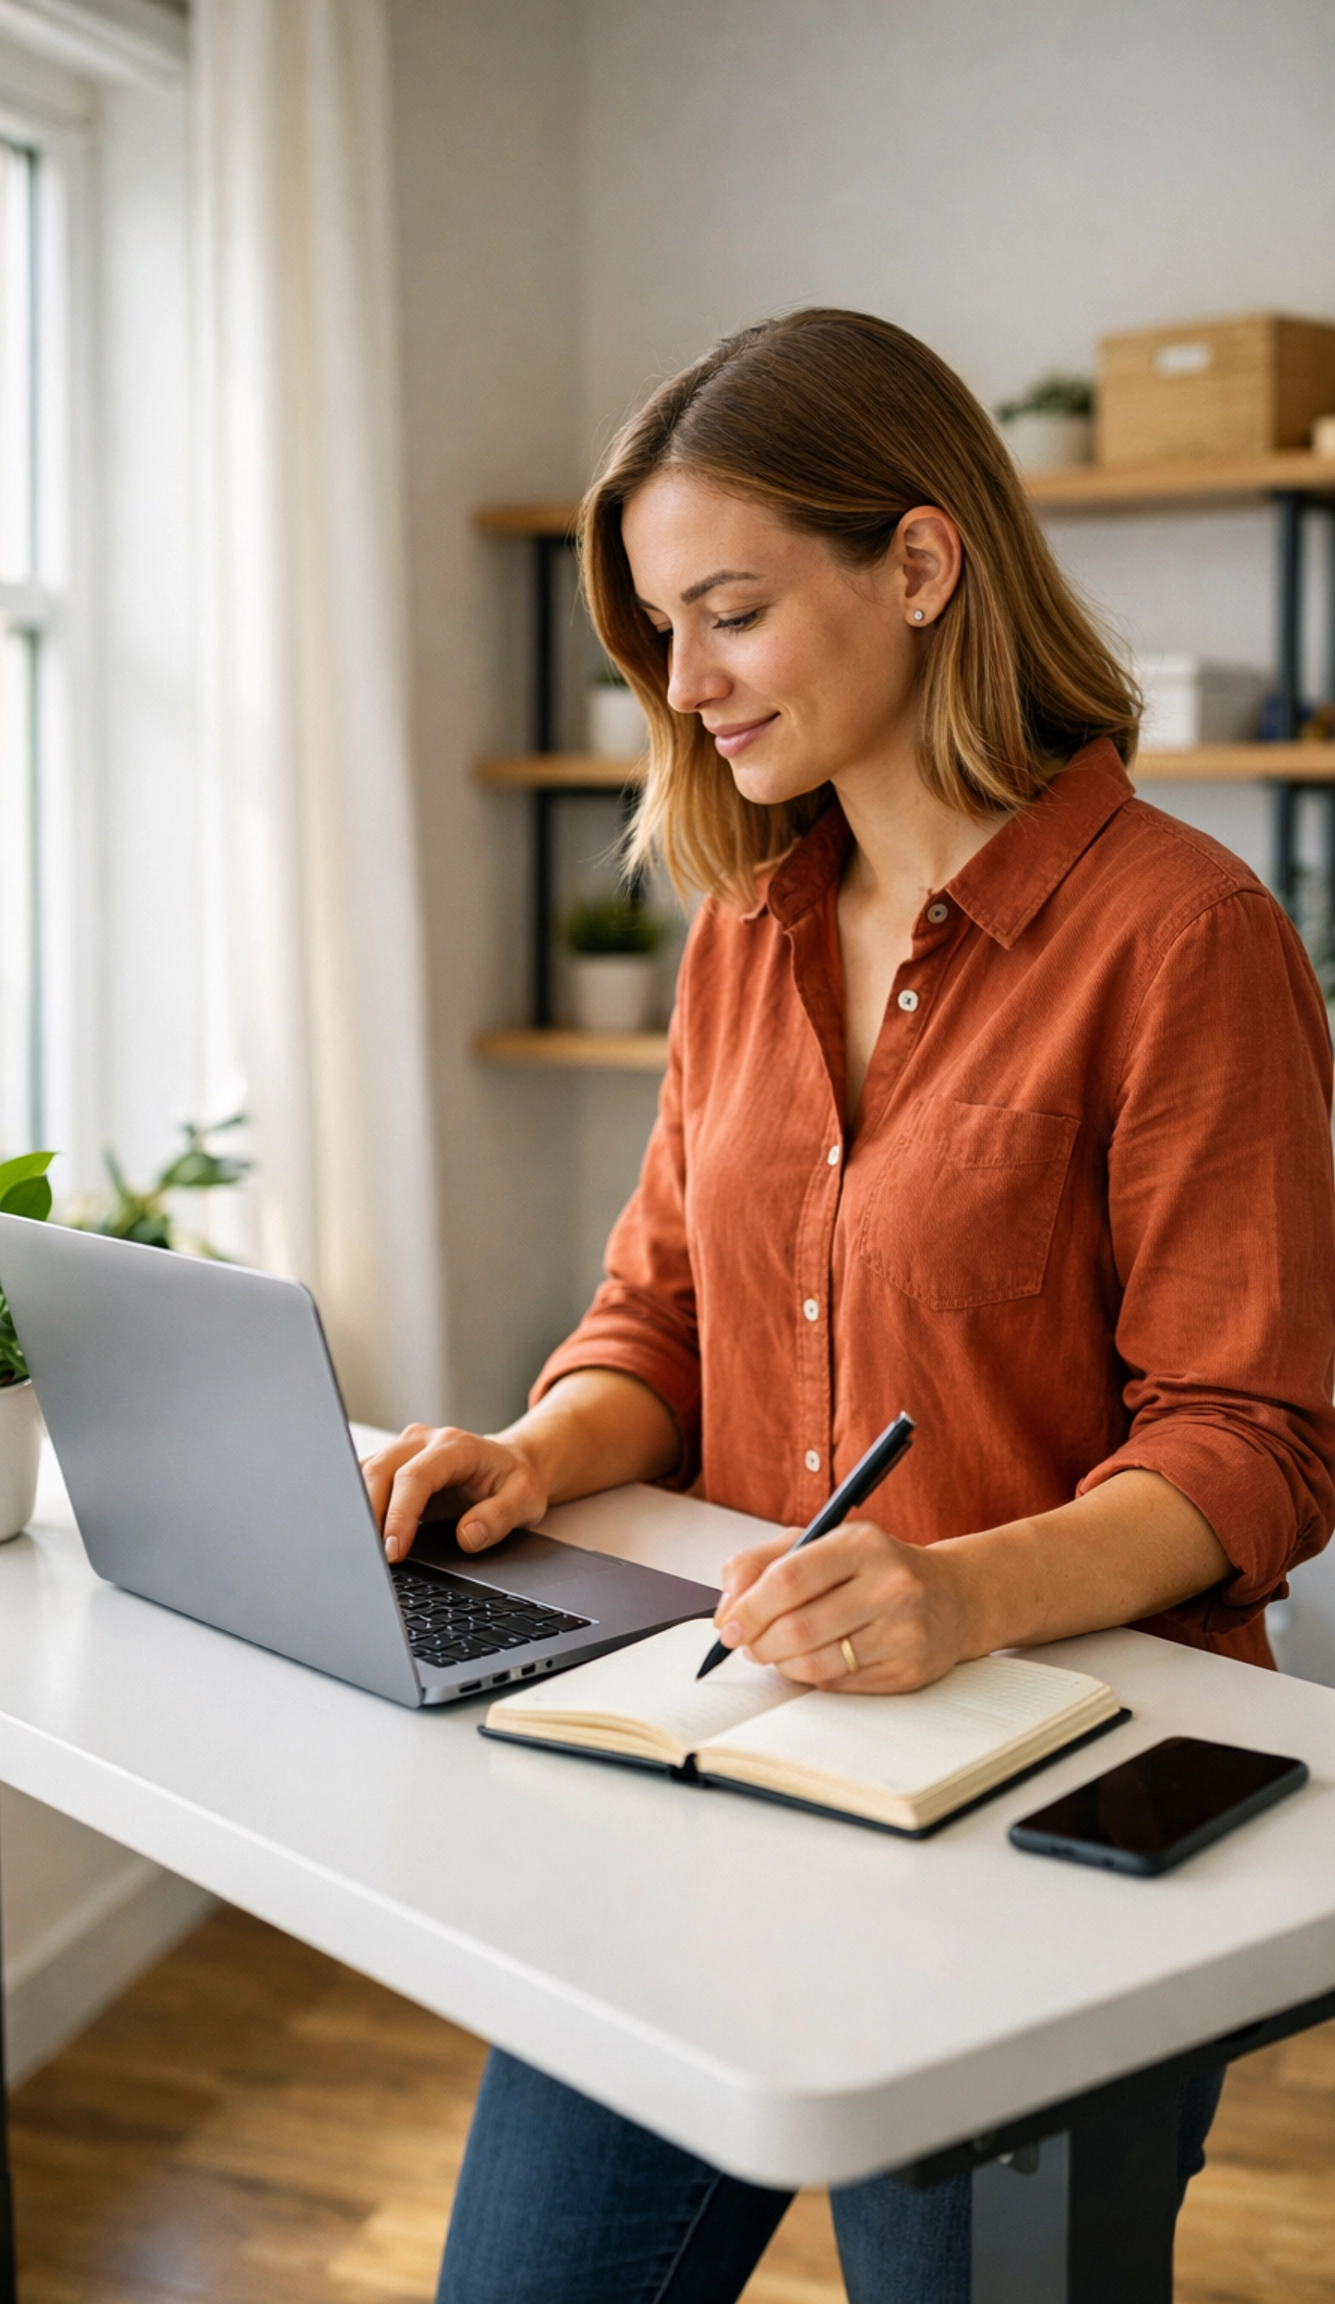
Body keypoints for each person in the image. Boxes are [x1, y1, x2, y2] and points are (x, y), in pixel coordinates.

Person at [361, 309, 1335, 2304]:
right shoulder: (742, 932)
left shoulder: (1186, 935)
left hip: (1051, 1805)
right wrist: (535, 1455)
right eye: (662, 633)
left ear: (917, 563)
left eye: (730, 614)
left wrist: (958, 1591)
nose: (687, 684)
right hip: (713, 1761)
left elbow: (1257, 1439)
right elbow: (659, 1319)